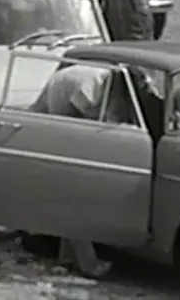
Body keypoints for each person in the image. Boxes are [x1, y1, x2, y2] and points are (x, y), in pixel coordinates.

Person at [29, 64, 113, 278]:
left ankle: (67, 259)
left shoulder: (110, 85)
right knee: (74, 196)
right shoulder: (95, 84)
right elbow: (75, 112)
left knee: (70, 194)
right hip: (55, 117)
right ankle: (88, 263)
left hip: (59, 113)